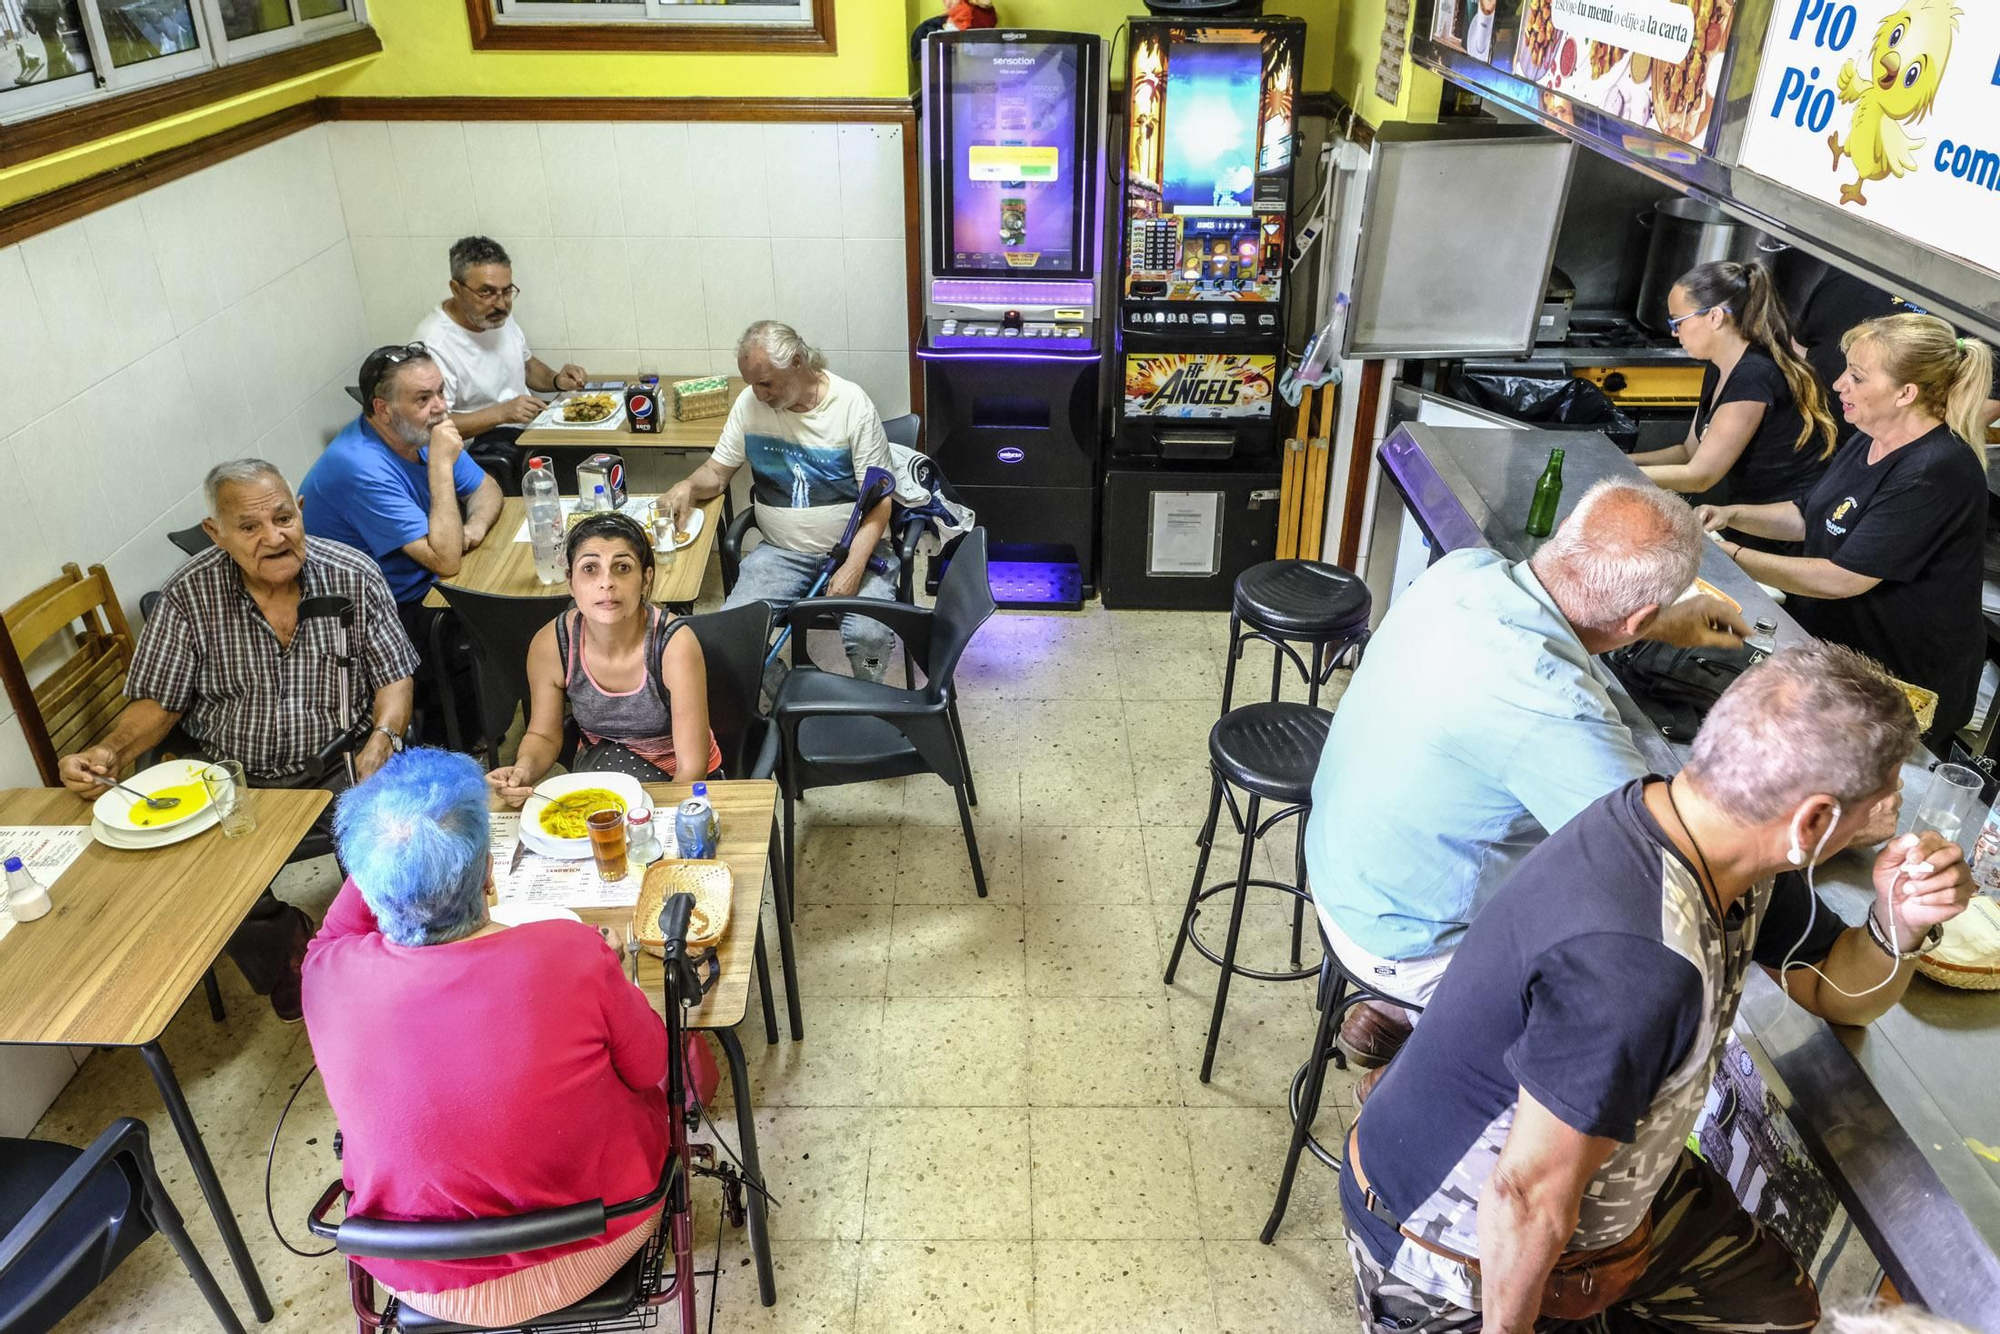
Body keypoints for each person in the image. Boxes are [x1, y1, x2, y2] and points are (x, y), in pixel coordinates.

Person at [1341, 642, 1975, 1333]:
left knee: (1775, 1312)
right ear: (1814, 821)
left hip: (1603, 1191)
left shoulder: (1709, 832)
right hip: (1453, 1250)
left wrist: (1899, 919)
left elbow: (1835, 993)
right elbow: (1525, 1198)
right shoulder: (1640, 965)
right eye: (1884, 804)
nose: (1890, 820)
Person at [1304, 481, 1753, 1084]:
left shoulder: (1464, 572)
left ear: (1568, 529)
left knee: (1499, 821)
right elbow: (1662, 856)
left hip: (1338, 872)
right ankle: (1420, 1088)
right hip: (1402, 940)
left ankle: (1391, 1016)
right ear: (1637, 615)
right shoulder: (1556, 705)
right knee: (1624, 993)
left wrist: (1656, 626)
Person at [303, 749, 668, 1327]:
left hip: (419, 1272)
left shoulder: (325, 974)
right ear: (492, 876)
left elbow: (337, 927)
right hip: (596, 1240)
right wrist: (619, 980)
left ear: (369, 892)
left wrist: (392, 842)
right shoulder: (571, 952)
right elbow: (651, 1069)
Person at [57, 459, 418, 1020]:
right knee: (199, 877)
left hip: (340, 762)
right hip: (230, 777)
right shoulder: (189, 596)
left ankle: (377, 956)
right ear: (215, 533)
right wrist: (110, 751)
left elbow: (394, 676)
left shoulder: (353, 573)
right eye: (250, 527)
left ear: (300, 509)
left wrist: (384, 736)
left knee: (392, 848)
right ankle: (285, 947)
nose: (274, 537)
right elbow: (160, 702)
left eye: (283, 517)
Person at [1701, 315, 1995, 749]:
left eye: (1856, 377)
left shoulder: (1935, 470)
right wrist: (1730, 515)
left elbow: (1843, 579)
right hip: (1838, 660)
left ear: (1905, 393)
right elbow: (1809, 515)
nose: (1839, 385)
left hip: (1899, 684)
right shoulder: (1870, 434)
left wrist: (1730, 556)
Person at [662, 321, 896, 688]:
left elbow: (881, 502)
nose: (758, 395)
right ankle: (788, 692)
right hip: (782, 553)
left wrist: (853, 566)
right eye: (752, 384)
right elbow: (717, 473)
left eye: (766, 383)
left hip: (857, 551)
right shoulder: (749, 405)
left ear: (798, 362)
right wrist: (688, 485)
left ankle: (870, 692)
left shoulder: (852, 406)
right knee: (729, 635)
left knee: (871, 638)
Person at [300, 343, 503, 741]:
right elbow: (445, 560)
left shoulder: (419, 430)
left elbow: (488, 489)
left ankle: (488, 731)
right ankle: (453, 747)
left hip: (422, 584)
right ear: (382, 410)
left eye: (441, 392)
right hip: (367, 611)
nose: (441, 407)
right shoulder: (358, 465)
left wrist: (474, 529)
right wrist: (442, 465)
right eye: (424, 398)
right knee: (481, 628)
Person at [487, 511, 721, 803]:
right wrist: (523, 770)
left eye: (622, 567)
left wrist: (649, 820)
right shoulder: (552, 644)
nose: (606, 583)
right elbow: (543, 736)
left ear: (645, 579)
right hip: (603, 772)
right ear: (570, 582)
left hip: (677, 782)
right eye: (590, 569)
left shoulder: (674, 646)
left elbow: (692, 767)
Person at [1629, 261, 1838, 551]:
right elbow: (1689, 451)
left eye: (1678, 322)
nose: (1675, 333)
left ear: (1714, 317)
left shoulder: (1754, 376)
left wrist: (1617, 475)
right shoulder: (1718, 366)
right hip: (1749, 514)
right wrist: (1625, 461)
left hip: (1786, 528)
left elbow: (1701, 476)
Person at [414, 236, 587, 440]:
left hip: (527, 431)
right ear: (456, 289)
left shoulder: (494, 315)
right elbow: (431, 426)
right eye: (486, 292)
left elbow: (525, 365)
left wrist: (556, 380)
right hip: (481, 451)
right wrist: (501, 414)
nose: (502, 304)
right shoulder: (433, 346)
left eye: (506, 291)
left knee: (600, 453)